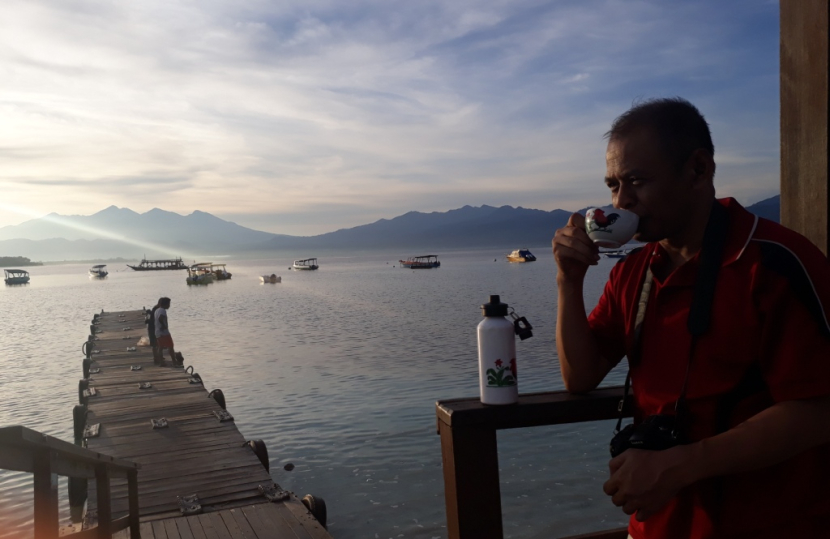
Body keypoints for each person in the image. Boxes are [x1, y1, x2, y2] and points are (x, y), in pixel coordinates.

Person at [552, 97, 830, 538]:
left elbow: (818, 412)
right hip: (657, 526)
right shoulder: (632, 273)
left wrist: (681, 464)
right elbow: (580, 376)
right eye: (612, 186)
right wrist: (569, 282)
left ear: (698, 170)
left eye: (636, 181)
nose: (622, 202)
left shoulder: (772, 263)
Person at [154, 297, 178, 367]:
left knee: (160, 347)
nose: (169, 306)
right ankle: (174, 363)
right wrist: (164, 326)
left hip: (158, 332)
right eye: (169, 304)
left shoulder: (157, 310)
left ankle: (161, 362)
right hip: (164, 333)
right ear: (165, 304)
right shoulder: (162, 311)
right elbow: (160, 318)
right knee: (170, 347)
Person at [147, 300, 162, 364]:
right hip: (153, 328)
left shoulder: (156, 308)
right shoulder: (157, 309)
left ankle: (157, 357)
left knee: (157, 344)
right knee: (155, 344)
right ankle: (156, 358)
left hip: (154, 328)